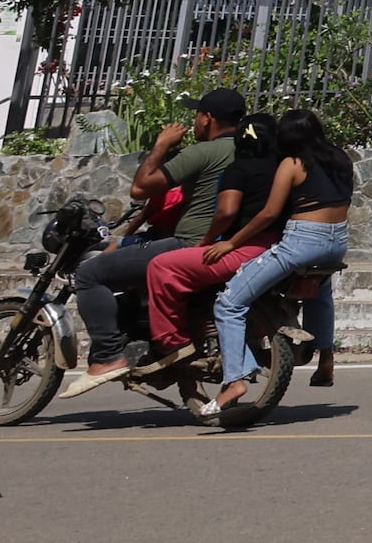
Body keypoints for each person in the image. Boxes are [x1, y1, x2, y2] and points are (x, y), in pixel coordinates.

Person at [80, 89, 250, 378]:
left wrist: (160, 145)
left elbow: (140, 189)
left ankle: (109, 355)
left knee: (89, 274)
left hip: (188, 243)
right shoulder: (253, 151)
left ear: (207, 119)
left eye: (197, 115)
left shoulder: (202, 152)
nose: (194, 122)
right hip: (237, 243)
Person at [204, 110, 355, 424]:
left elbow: (269, 214)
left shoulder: (292, 163)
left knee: (229, 302)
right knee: (320, 292)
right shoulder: (341, 159)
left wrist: (231, 243)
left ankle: (235, 380)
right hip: (337, 241)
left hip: (302, 241)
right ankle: (325, 358)